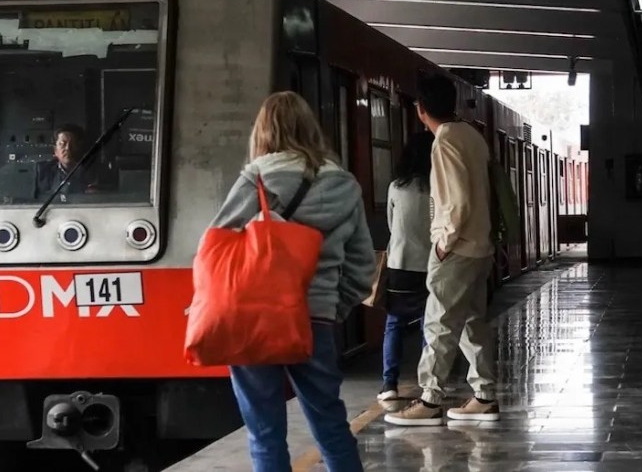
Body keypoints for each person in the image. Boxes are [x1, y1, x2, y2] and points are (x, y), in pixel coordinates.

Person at [208, 91, 375, 471]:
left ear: (263, 131)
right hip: (316, 321)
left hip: (256, 320)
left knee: (265, 433)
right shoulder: (345, 185)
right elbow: (362, 265)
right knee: (331, 426)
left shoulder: (256, 179)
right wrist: (333, 307)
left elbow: (218, 245)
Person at [385, 73, 498, 426]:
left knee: (439, 324)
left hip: (458, 247)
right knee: (472, 323)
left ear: (421, 109)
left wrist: (443, 243)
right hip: (481, 246)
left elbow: (456, 201)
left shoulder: (445, 140)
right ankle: (484, 396)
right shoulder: (472, 135)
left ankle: (430, 400)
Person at [378, 131, 435, 401]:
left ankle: (389, 385)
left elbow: (392, 227)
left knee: (394, 324)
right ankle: (428, 384)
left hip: (399, 264)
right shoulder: (437, 187)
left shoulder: (395, 187)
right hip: (430, 265)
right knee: (429, 325)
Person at [34, 124, 96, 197]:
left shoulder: (94, 171)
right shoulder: (42, 172)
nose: (67, 148)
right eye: (63, 144)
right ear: (55, 150)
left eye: (73, 144)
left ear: (80, 147)